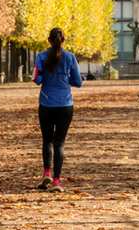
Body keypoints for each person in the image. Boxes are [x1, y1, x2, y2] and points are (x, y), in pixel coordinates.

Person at [33, 28, 82, 192]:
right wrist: (65, 79)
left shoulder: (40, 57)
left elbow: (36, 79)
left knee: (47, 140)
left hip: (46, 104)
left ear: (49, 40)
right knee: (59, 143)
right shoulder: (70, 57)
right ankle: (56, 181)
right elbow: (78, 82)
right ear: (63, 40)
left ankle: (46, 172)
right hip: (65, 104)